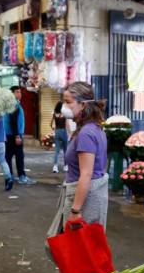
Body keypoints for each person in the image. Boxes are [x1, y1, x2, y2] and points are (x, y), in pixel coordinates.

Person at [46, 82, 109, 237]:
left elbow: (86, 174)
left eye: (68, 102)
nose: (64, 107)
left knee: (77, 251)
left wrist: (75, 210)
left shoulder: (86, 133)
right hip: (92, 197)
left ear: (83, 104)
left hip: (85, 201)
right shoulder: (94, 128)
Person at [5, 86, 36, 185]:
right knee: (19, 156)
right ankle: (22, 177)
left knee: (8, 156)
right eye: (17, 92)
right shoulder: (14, 104)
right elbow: (13, 121)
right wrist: (17, 136)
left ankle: (9, 176)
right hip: (14, 135)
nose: (20, 94)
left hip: (9, 135)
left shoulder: (9, 104)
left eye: (20, 92)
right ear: (12, 94)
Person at [50, 101, 70, 173]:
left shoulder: (54, 114)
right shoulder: (64, 115)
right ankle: (66, 166)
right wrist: (70, 134)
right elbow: (67, 125)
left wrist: (53, 129)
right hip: (63, 132)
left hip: (57, 132)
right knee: (65, 150)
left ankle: (55, 167)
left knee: (57, 151)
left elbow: (51, 124)